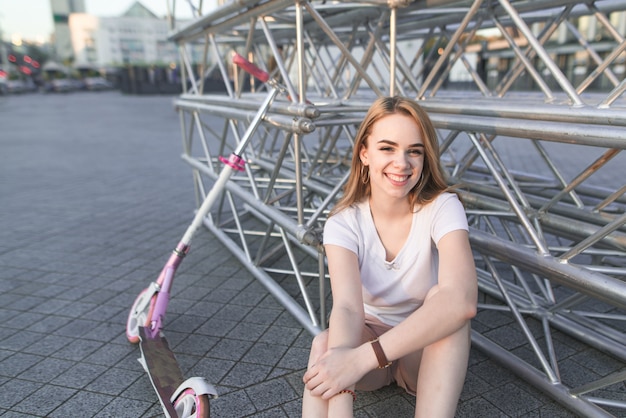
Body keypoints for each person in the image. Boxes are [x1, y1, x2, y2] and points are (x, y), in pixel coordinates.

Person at [302, 96, 477, 418]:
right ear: (364, 153)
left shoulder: (442, 206)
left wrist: (360, 359)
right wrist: (342, 375)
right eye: (387, 148)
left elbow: (462, 300)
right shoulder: (343, 222)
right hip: (369, 339)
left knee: (448, 305)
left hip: (422, 349)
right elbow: (347, 308)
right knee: (324, 346)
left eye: (414, 150)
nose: (402, 163)